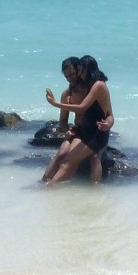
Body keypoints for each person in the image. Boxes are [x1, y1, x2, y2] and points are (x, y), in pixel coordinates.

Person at [44, 54, 113, 185]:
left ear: (80, 71)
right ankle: (43, 182)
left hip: (94, 132)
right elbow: (63, 121)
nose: (70, 79)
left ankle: (94, 193)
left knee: (93, 157)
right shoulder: (67, 94)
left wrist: (108, 123)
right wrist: (66, 131)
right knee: (62, 152)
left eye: (73, 74)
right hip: (78, 131)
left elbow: (109, 114)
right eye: (66, 76)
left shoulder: (93, 89)